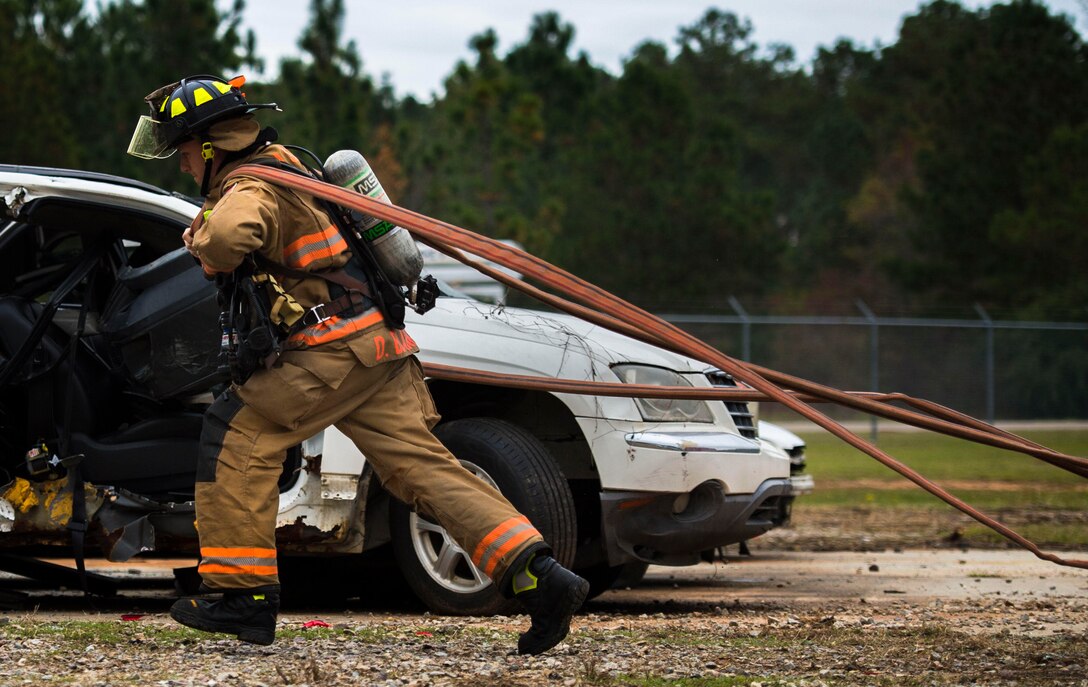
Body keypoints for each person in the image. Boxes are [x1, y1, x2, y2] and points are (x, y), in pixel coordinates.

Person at [127, 74, 588, 652]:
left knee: (237, 436)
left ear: (213, 144)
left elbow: (227, 240)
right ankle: (537, 576)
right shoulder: (292, 164)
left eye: (186, 151)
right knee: (425, 470)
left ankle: (241, 595)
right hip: (379, 348)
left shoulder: (251, 185)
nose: (183, 165)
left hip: (330, 353)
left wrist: (200, 238)